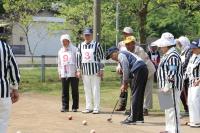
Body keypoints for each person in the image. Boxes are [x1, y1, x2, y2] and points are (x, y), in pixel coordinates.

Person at [105, 46, 148, 124]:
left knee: (134, 95)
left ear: (116, 52)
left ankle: (132, 118)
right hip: (143, 69)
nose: (112, 58)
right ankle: (139, 117)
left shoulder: (121, 55)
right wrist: (126, 83)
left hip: (138, 69)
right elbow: (128, 69)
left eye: (111, 55)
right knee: (139, 94)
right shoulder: (125, 54)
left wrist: (124, 83)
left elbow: (125, 69)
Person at [153, 32, 183, 133]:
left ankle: (175, 130)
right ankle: (169, 129)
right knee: (167, 109)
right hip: (164, 86)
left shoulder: (173, 55)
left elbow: (172, 72)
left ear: (167, 45)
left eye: (162, 45)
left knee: (173, 109)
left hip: (171, 87)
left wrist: (167, 86)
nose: (160, 47)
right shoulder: (167, 54)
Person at [124, 36, 156, 116]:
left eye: (129, 44)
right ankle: (135, 108)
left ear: (133, 44)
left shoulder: (140, 50)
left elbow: (138, 65)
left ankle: (145, 109)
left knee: (147, 90)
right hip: (140, 72)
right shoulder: (127, 52)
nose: (127, 46)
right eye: (126, 44)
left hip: (148, 71)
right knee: (137, 90)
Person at [76, 27, 104, 114]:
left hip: (95, 71)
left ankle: (96, 107)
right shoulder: (80, 46)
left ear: (92, 35)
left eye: (89, 35)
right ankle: (88, 107)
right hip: (85, 71)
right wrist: (78, 70)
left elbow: (102, 57)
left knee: (95, 89)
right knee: (87, 90)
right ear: (83, 36)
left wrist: (102, 69)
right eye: (85, 35)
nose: (87, 36)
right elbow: (78, 58)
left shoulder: (97, 45)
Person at [0, 40, 20, 133]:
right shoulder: (5, 47)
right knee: (2, 122)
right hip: (3, 92)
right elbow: (14, 68)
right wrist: (15, 88)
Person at [58, 34, 79, 112]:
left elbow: (78, 61)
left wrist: (78, 70)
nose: (64, 42)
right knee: (64, 91)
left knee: (74, 90)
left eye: (66, 41)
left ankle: (75, 107)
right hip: (64, 73)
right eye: (63, 41)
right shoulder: (60, 51)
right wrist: (59, 72)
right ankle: (65, 107)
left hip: (73, 73)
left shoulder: (74, 49)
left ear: (69, 41)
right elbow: (59, 63)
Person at [115, 27, 134, 111]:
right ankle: (122, 105)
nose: (125, 35)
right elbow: (118, 56)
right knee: (123, 87)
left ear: (131, 34)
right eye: (124, 33)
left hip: (133, 69)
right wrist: (118, 65)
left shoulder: (134, 43)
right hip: (123, 68)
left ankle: (132, 107)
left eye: (127, 33)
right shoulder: (120, 44)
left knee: (133, 88)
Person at [185, 39, 200, 127]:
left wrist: (198, 81)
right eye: (192, 48)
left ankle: (197, 121)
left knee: (195, 101)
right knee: (190, 101)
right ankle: (193, 120)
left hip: (197, 83)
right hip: (190, 82)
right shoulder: (193, 56)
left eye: (195, 48)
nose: (193, 50)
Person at [176, 36, 192, 116]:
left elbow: (186, 63)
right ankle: (187, 109)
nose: (179, 45)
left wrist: (180, 71)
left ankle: (189, 110)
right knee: (182, 94)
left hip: (187, 76)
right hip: (182, 75)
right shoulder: (182, 51)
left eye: (180, 44)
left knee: (187, 94)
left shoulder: (189, 51)